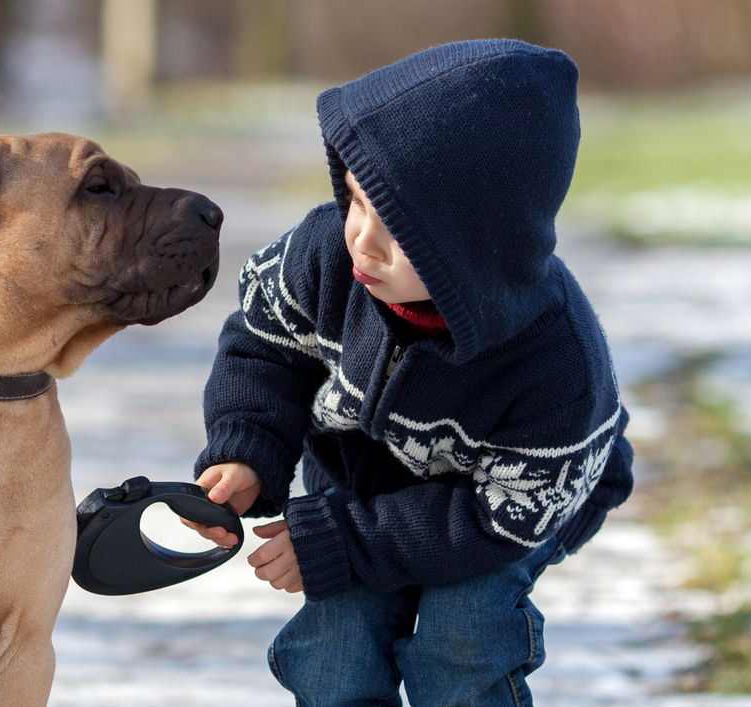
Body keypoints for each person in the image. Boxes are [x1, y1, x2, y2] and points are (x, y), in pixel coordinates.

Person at [184, 39, 635, 705]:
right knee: (335, 641)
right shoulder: (322, 258)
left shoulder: (555, 366)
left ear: (480, 244)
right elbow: (264, 347)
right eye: (356, 201)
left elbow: (502, 518)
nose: (361, 237)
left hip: (505, 504)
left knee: (464, 635)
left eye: (399, 229)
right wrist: (248, 449)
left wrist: (344, 539)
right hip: (360, 479)